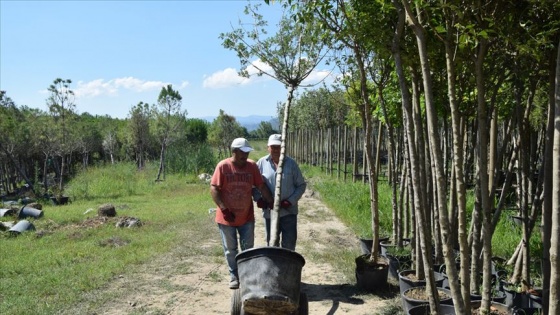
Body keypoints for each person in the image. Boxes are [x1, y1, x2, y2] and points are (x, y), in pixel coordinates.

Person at [210, 137, 273, 289]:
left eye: (247, 152)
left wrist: (270, 201)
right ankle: (234, 274)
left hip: (246, 217)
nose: (246, 156)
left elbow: (261, 186)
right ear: (234, 151)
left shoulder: (251, 167)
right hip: (227, 218)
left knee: (248, 248)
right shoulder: (223, 167)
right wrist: (224, 209)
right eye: (243, 152)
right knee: (230, 250)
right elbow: (214, 189)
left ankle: (247, 275)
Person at [254, 134, 306, 251]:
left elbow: (301, 185)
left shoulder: (291, 164)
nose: (276, 150)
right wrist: (259, 199)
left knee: (289, 244)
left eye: (279, 147)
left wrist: (290, 201)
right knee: (272, 244)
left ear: (283, 148)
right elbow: (254, 186)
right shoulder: (261, 163)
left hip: (289, 213)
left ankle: (288, 268)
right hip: (269, 213)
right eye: (273, 147)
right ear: (268, 147)